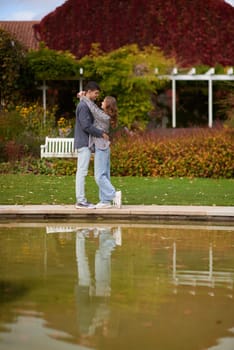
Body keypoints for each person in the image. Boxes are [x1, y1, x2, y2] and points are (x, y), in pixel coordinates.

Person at [78, 93, 122, 209]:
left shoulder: (104, 116)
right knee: (104, 175)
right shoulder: (105, 116)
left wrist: (83, 97)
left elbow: (93, 109)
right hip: (103, 147)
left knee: (99, 176)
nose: (101, 102)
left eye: (103, 101)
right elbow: (94, 109)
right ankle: (105, 201)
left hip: (101, 147)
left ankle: (113, 194)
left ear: (107, 105)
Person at [74, 81, 109, 209]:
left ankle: (81, 200)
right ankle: (81, 201)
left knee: (82, 171)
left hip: (85, 143)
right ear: (89, 92)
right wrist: (101, 134)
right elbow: (86, 126)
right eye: (96, 93)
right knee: (82, 172)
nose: (97, 96)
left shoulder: (86, 104)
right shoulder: (83, 106)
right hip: (84, 143)